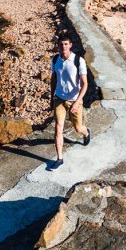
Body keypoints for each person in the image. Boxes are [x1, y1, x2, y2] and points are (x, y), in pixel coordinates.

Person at [49, 34, 91, 170]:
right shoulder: (55, 59)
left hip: (74, 100)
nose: (63, 47)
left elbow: (85, 84)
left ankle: (86, 132)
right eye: (61, 44)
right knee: (58, 129)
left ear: (71, 45)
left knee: (78, 128)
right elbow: (53, 80)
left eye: (66, 44)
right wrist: (52, 97)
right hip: (59, 99)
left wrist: (77, 102)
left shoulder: (79, 60)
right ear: (58, 45)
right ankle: (59, 158)